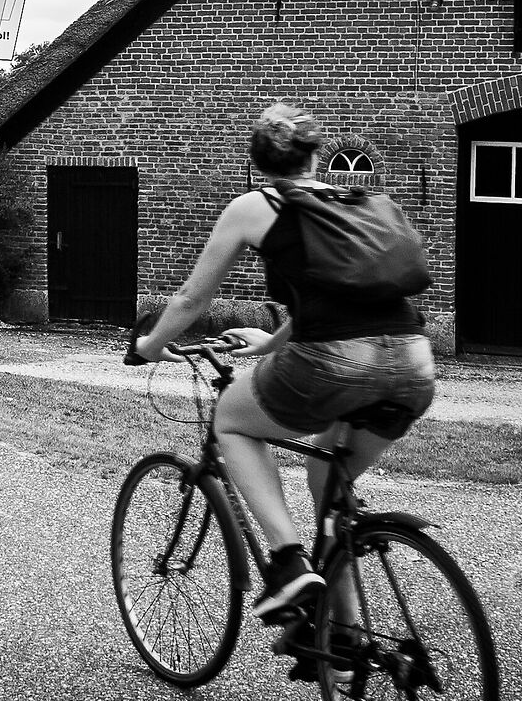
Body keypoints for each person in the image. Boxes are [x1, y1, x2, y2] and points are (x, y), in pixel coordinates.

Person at [128, 102, 437, 626]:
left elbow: (191, 300)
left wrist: (152, 345)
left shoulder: (255, 206)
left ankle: (289, 564)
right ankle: (346, 637)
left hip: (335, 362)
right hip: (413, 362)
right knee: (327, 487)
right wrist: (272, 344)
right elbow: (344, 298)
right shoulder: (358, 202)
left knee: (231, 417)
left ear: (257, 163)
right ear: (315, 157)